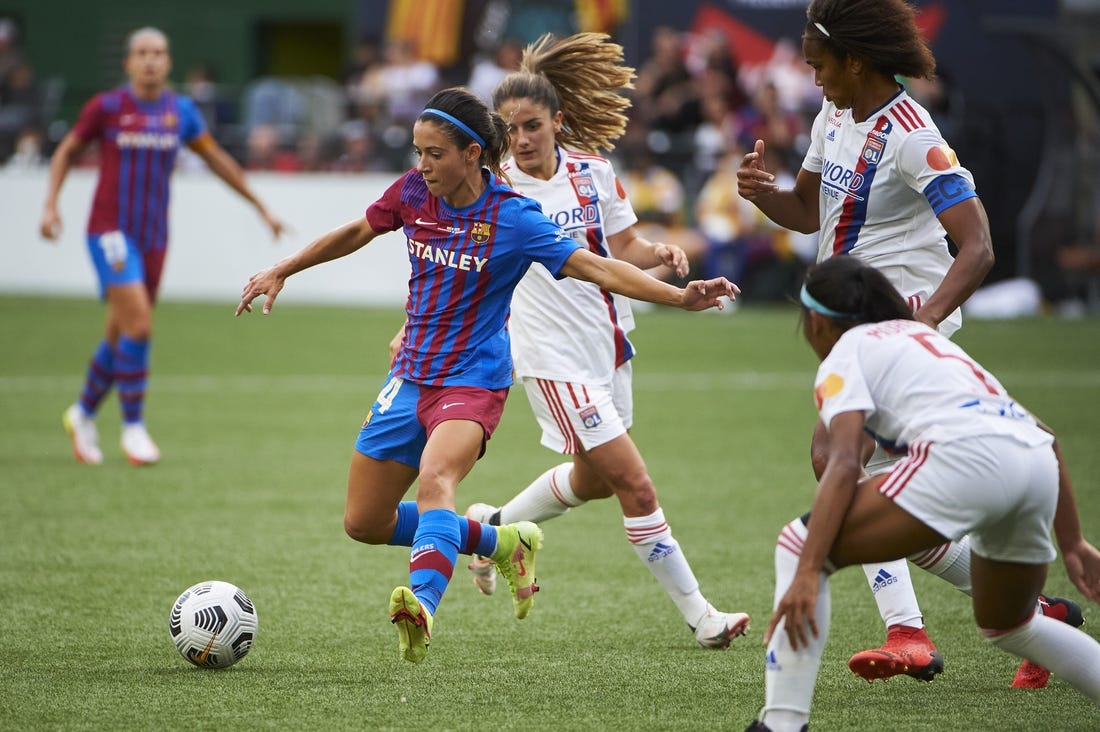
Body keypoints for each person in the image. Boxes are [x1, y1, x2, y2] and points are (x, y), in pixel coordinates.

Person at [235, 86, 740, 663]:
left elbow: (598, 266)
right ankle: (504, 541)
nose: (421, 166)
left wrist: (678, 297)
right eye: (418, 152)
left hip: (474, 380)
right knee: (363, 521)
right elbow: (357, 230)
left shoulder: (514, 217)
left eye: (434, 154)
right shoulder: (412, 193)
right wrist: (285, 268)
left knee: (436, 482)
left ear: (472, 153)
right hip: (411, 375)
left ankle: (420, 607)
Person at [734, 0, 1084, 689]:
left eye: (820, 65)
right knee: (872, 488)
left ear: (856, 61)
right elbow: (808, 213)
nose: (813, 78)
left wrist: (921, 326)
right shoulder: (832, 114)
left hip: (903, 324)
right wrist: (762, 196)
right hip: (853, 322)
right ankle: (1036, 614)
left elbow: (978, 246)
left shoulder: (915, 136)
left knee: (836, 460)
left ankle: (910, 632)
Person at [439, 32, 750, 648]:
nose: (522, 139)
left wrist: (658, 252)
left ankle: (493, 528)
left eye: (532, 125)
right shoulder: (492, 190)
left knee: (596, 480)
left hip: (608, 346)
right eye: (511, 129)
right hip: (549, 358)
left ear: (557, 121)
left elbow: (621, 250)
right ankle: (702, 616)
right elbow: (453, 264)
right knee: (635, 485)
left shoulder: (593, 173)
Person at [744, 255, 1100, 732]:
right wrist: (1073, 542)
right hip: (1035, 465)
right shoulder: (925, 340)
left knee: (797, 542)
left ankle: (782, 724)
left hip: (965, 460)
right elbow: (1047, 435)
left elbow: (845, 461)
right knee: (1010, 625)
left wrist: (810, 567)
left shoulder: (847, 351)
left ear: (816, 321)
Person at [39, 27, 284, 466]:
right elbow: (66, 151)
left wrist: (260, 206)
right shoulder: (108, 107)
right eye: (142, 53)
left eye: (158, 53)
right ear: (129, 62)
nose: (150, 60)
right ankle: (133, 429)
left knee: (121, 331)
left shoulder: (181, 112)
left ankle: (82, 413)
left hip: (154, 238)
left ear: (168, 63)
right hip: (110, 232)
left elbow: (217, 161)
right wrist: (50, 206)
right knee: (140, 326)